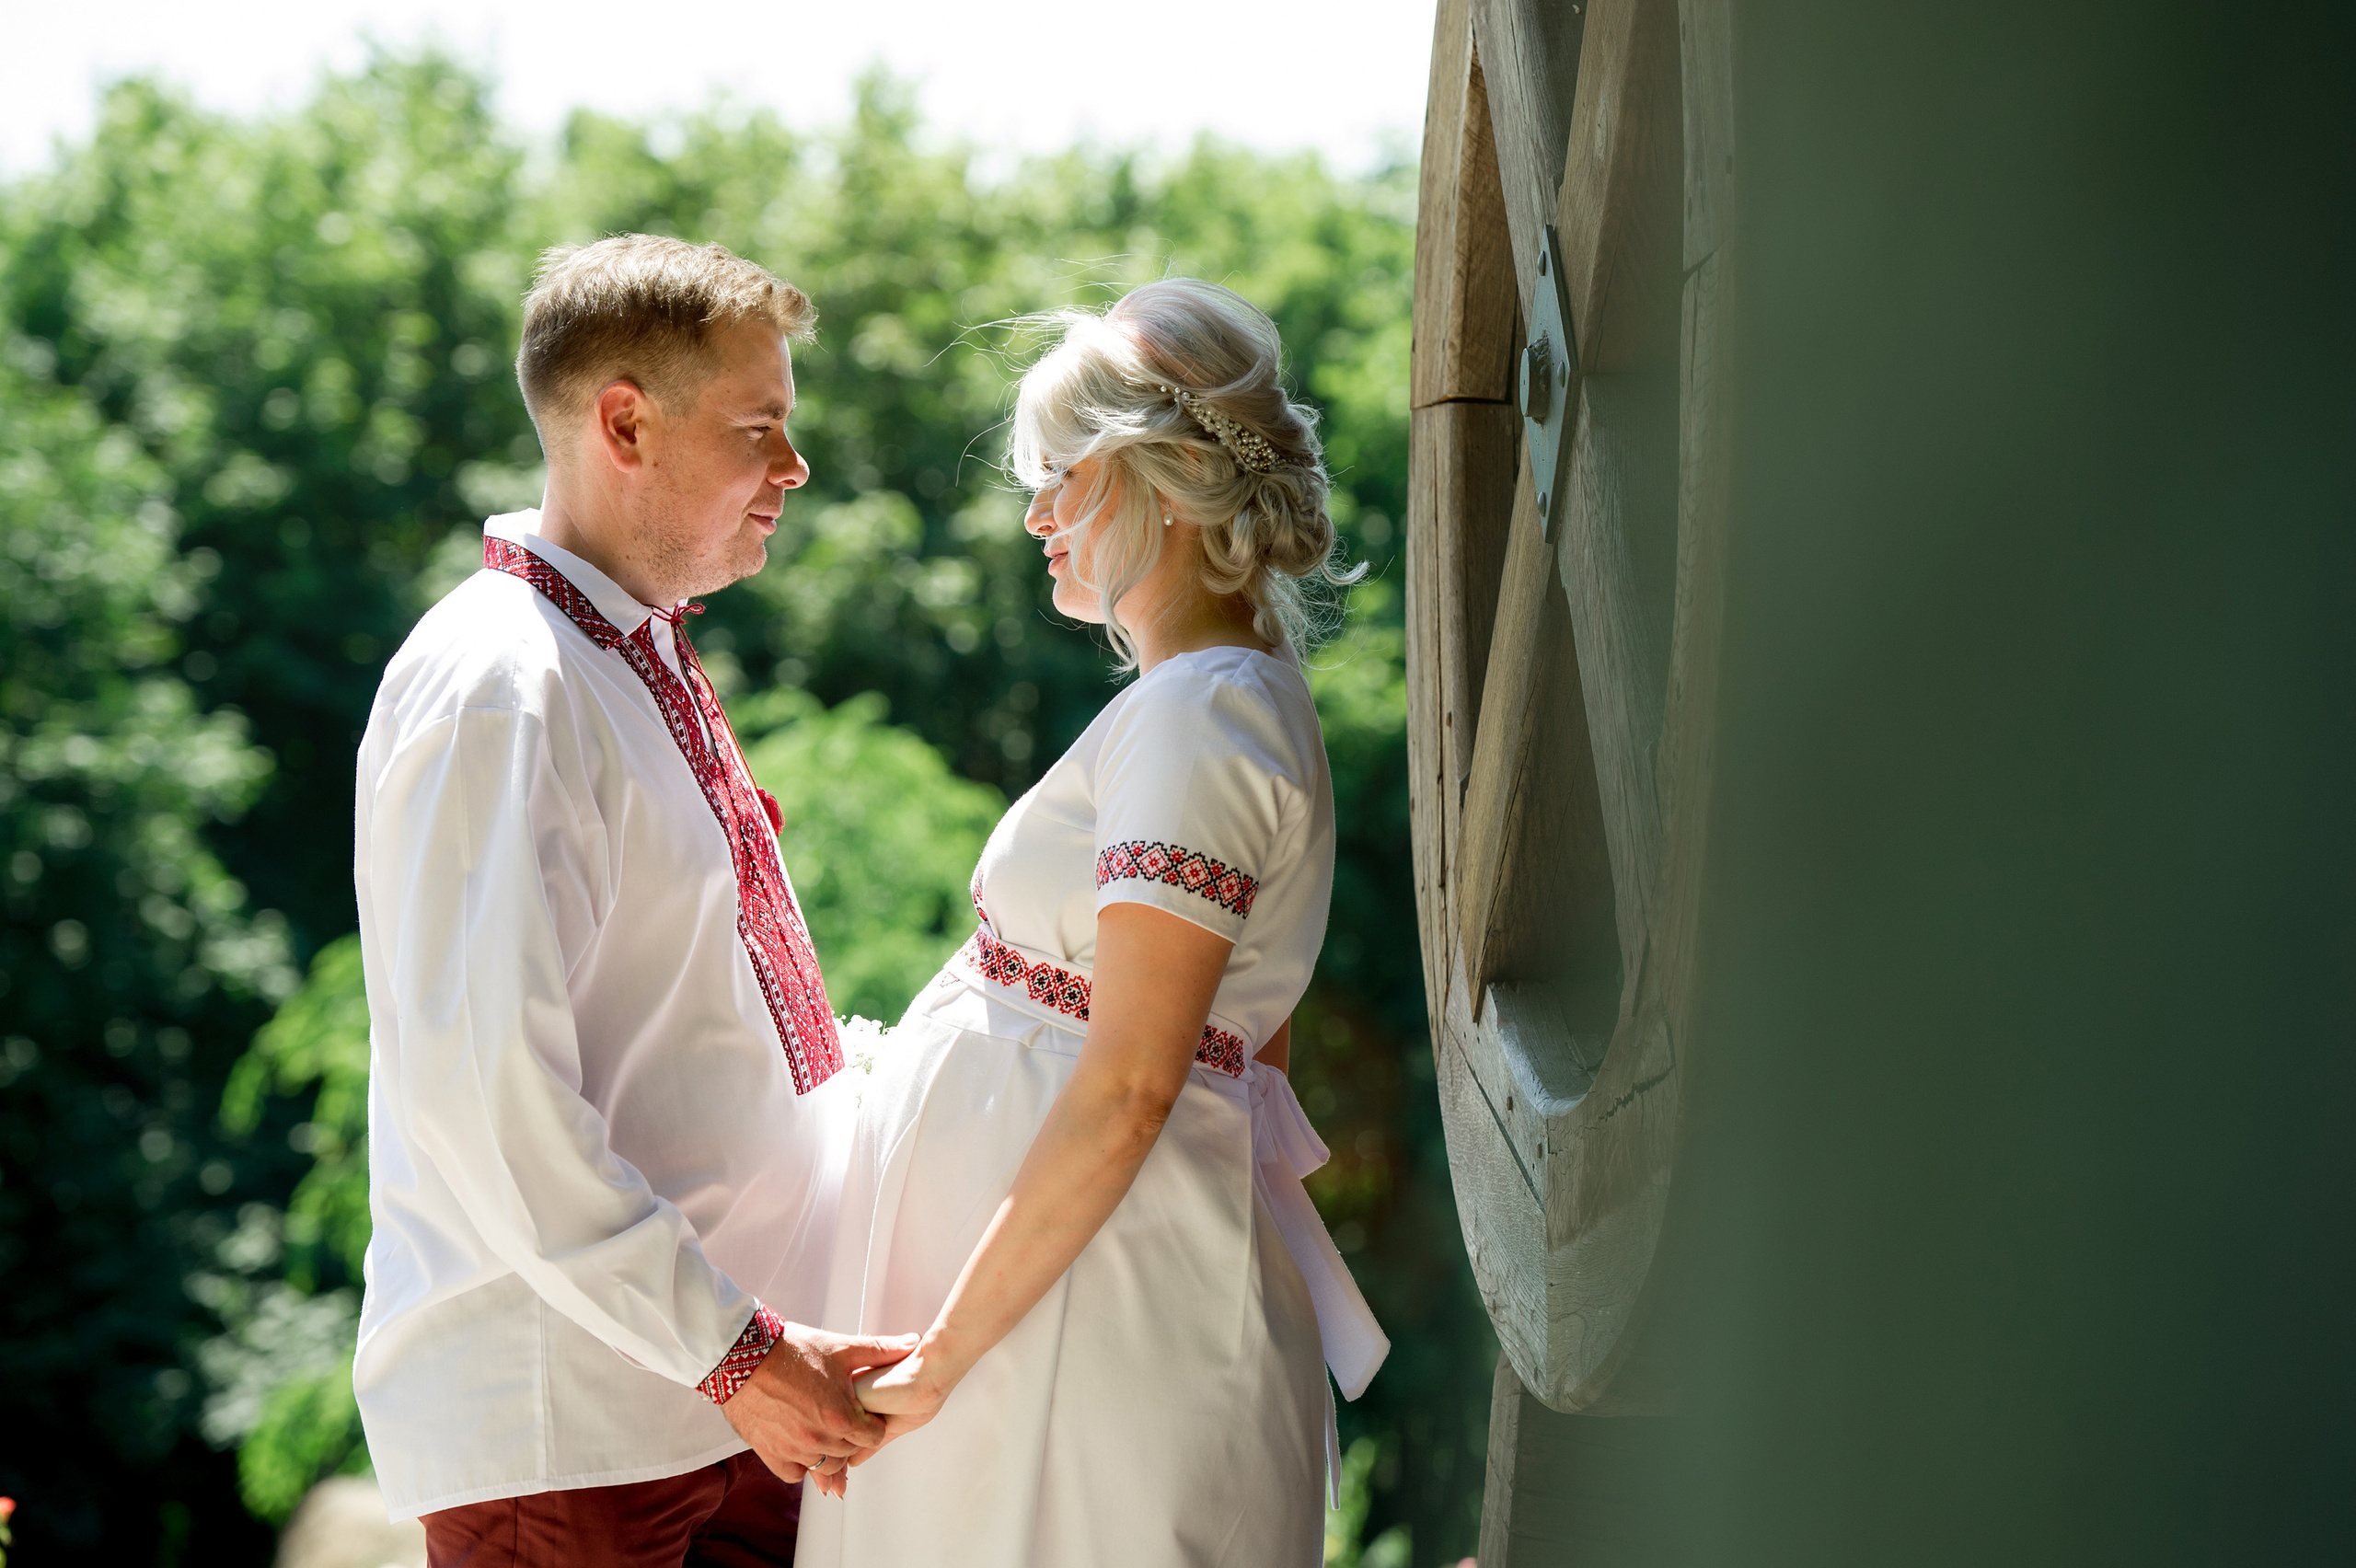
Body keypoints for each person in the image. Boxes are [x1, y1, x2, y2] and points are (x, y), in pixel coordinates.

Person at [794, 279, 1389, 1567]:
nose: (1036, 516)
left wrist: (944, 1356)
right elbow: (1254, 1048)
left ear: (1165, 480)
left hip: (1074, 1318)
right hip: (1062, 1300)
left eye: (1061, 477)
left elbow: (1130, 1086)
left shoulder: (1207, 710)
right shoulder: (1208, 698)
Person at [351, 234, 913, 1567]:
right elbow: (488, 1100)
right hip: (575, 1432)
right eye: (760, 429)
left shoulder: (617, 651)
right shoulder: (502, 685)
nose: (795, 467)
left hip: (724, 1405)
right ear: (624, 424)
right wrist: (738, 1355)